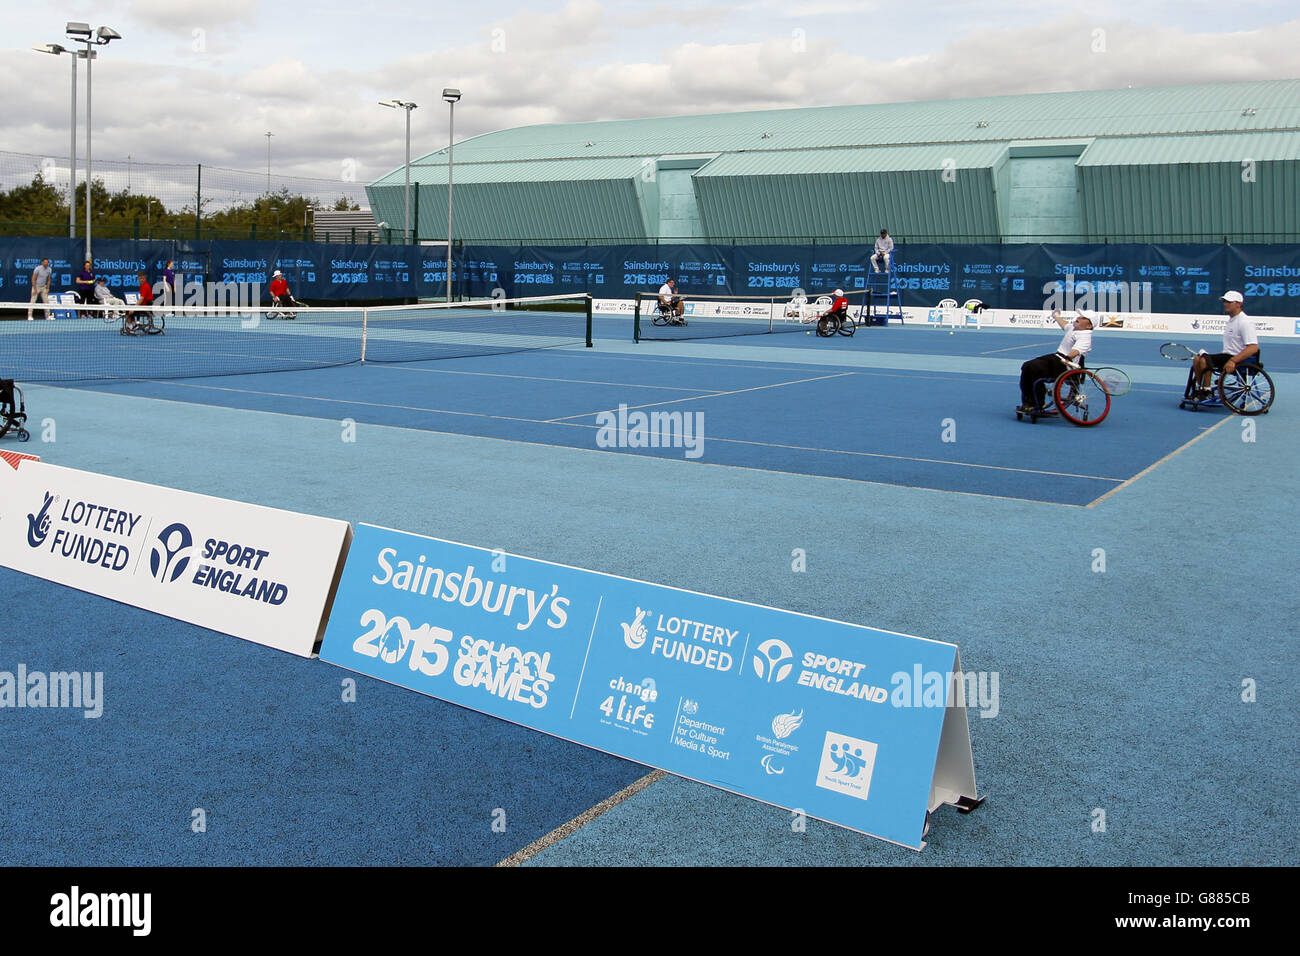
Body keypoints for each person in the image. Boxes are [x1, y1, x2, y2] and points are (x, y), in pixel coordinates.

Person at [1018, 309, 1094, 413]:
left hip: (1066, 365)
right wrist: (1056, 315)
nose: (1079, 318)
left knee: (1033, 368)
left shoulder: (1085, 335)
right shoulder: (1073, 328)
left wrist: (1068, 358)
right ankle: (1029, 403)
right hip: (1056, 358)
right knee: (1026, 366)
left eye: (1083, 318)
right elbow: (1063, 324)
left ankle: (1037, 403)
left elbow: (1077, 350)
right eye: (1080, 316)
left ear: (1089, 326)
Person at [1191, 291, 1259, 400]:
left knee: (1204, 360)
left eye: (1229, 302)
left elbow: (1253, 348)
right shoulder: (1232, 320)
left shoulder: (1245, 322)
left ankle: (1207, 391)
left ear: (1239, 304)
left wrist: (1233, 361)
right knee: (1197, 359)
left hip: (1237, 359)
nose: (1225, 304)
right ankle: (1201, 389)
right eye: (1224, 301)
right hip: (1226, 356)